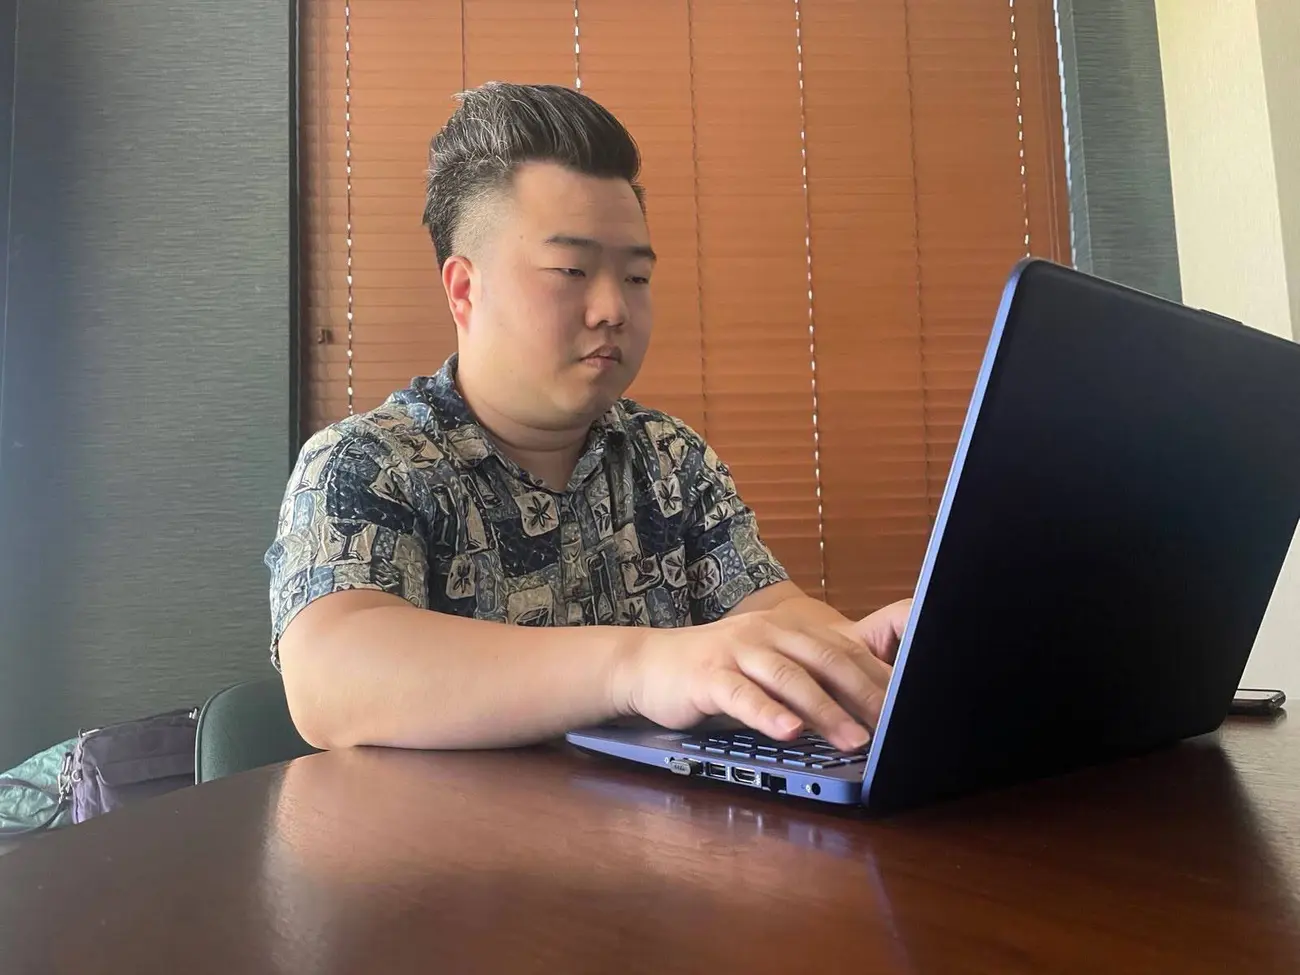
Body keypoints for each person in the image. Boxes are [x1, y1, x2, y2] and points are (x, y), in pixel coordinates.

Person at [267, 82, 912, 754]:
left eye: (635, 277)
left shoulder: (669, 459)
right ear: (464, 289)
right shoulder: (369, 463)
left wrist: (858, 647)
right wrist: (636, 666)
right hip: (452, 855)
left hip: (660, 849)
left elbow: (767, 613)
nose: (613, 308)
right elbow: (332, 673)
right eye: (572, 270)